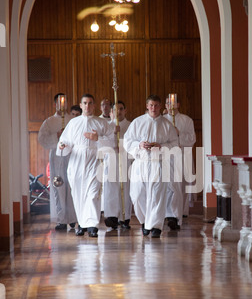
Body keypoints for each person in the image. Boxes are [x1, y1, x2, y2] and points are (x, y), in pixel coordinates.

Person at [57, 93, 115, 238]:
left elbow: (112, 143)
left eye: (90, 103)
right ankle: (82, 224)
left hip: (94, 160)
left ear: (94, 106)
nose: (87, 106)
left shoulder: (101, 123)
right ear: (81, 105)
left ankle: (92, 225)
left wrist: (98, 139)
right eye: (85, 103)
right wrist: (63, 146)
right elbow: (65, 142)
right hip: (76, 162)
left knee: (93, 194)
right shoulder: (73, 123)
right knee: (78, 194)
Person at [123, 94, 179, 238]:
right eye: (151, 105)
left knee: (157, 195)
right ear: (147, 106)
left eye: (156, 105)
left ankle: (155, 227)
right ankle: (144, 222)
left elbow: (174, 144)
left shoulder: (167, 125)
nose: (153, 108)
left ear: (160, 107)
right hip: (141, 163)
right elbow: (128, 141)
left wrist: (162, 146)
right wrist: (139, 145)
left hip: (158, 164)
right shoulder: (137, 122)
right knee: (137, 194)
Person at [38, 93, 77, 231]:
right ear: (55, 104)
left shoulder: (73, 120)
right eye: (60, 102)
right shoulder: (49, 122)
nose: (63, 104)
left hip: (72, 156)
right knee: (58, 184)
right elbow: (42, 139)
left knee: (71, 185)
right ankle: (61, 218)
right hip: (56, 157)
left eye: (65, 102)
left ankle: (72, 217)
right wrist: (57, 136)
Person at [164, 97, 196, 222]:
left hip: (182, 155)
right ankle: (167, 212)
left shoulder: (186, 120)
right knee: (166, 185)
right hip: (167, 156)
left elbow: (192, 138)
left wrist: (179, 134)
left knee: (181, 184)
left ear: (178, 104)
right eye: (167, 103)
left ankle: (182, 211)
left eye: (172, 103)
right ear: (165, 106)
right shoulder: (162, 121)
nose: (170, 106)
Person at [102, 101, 132, 230]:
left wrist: (124, 146)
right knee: (110, 188)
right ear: (111, 112)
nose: (118, 112)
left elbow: (134, 142)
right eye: (115, 110)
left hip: (125, 160)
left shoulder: (131, 125)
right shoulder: (106, 126)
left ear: (125, 110)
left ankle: (124, 218)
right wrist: (113, 133)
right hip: (111, 159)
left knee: (125, 188)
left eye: (120, 109)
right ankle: (111, 217)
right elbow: (101, 143)